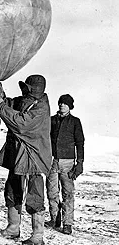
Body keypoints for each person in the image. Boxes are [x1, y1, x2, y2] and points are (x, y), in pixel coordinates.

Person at [0, 75, 52, 245]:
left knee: (35, 193)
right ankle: (13, 228)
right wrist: (2, 96)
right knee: (12, 189)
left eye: (27, 88)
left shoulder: (40, 107)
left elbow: (21, 123)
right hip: (19, 154)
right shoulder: (27, 101)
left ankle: (37, 235)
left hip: (33, 156)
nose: (23, 90)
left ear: (34, 89)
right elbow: (12, 104)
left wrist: (1, 106)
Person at [46, 94, 85, 235]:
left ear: (70, 106)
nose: (62, 105)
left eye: (65, 103)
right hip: (52, 161)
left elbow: (80, 143)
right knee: (51, 192)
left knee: (68, 193)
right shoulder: (51, 120)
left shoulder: (75, 122)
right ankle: (54, 218)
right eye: (60, 103)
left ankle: (67, 223)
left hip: (68, 162)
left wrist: (79, 163)